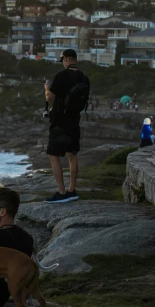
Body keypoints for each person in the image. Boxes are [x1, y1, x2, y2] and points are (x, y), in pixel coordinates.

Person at [44, 49, 89, 204]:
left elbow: (50, 97)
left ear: (66, 59)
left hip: (60, 122)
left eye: (63, 60)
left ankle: (62, 192)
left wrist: (46, 88)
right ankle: (72, 190)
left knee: (53, 154)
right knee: (72, 155)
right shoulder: (84, 77)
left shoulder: (62, 75)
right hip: (74, 121)